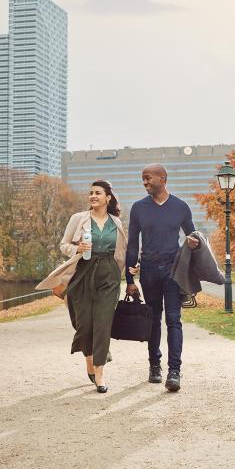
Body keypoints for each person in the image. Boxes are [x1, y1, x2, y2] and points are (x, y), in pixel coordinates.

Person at [36, 180, 127, 393]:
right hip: (83, 272)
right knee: (85, 324)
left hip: (109, 276)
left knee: (103, 323)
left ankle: (100, 372)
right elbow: (63, 245)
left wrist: (127, 271)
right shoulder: (78, 219)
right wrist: (77, 249)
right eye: (91, 193)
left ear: (108, 198)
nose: (93, 196)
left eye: (98, 193)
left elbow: (122, 252)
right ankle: (89, 360)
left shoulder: (117, 223)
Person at [126, 164, 199, 392]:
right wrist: (129, 280)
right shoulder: (138, 208)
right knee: (153, 319)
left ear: (163, 178)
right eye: (142, 179)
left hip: (172, 271)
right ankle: (154, 365)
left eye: (148, 178)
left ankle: (174, 371)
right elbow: (132, 244)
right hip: (148, 270)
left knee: (174, 320)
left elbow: (192, 235)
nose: (145, 182)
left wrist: (193, 242)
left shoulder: (180, 207)